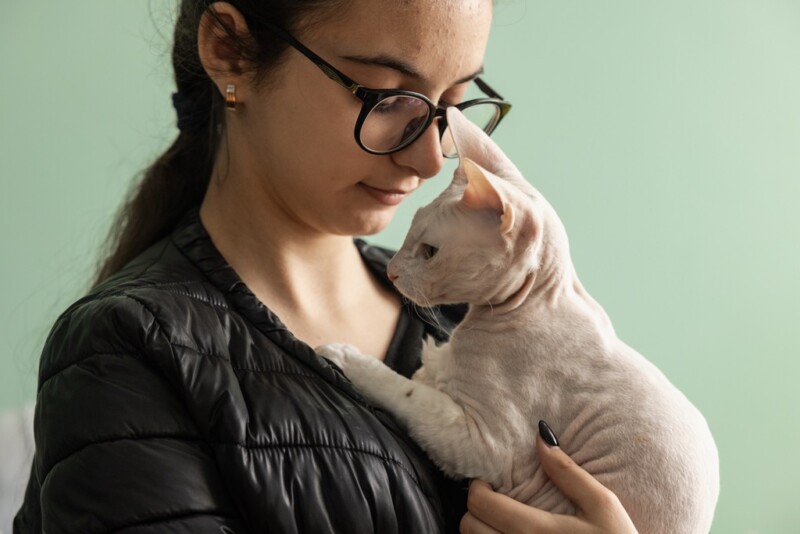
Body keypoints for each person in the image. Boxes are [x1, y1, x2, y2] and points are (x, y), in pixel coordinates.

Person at [14, 1, 637, 532]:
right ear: (229, 50)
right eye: (389, 97)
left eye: (451, 103)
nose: (429, 159)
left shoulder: (472, 308)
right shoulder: (126, 355)